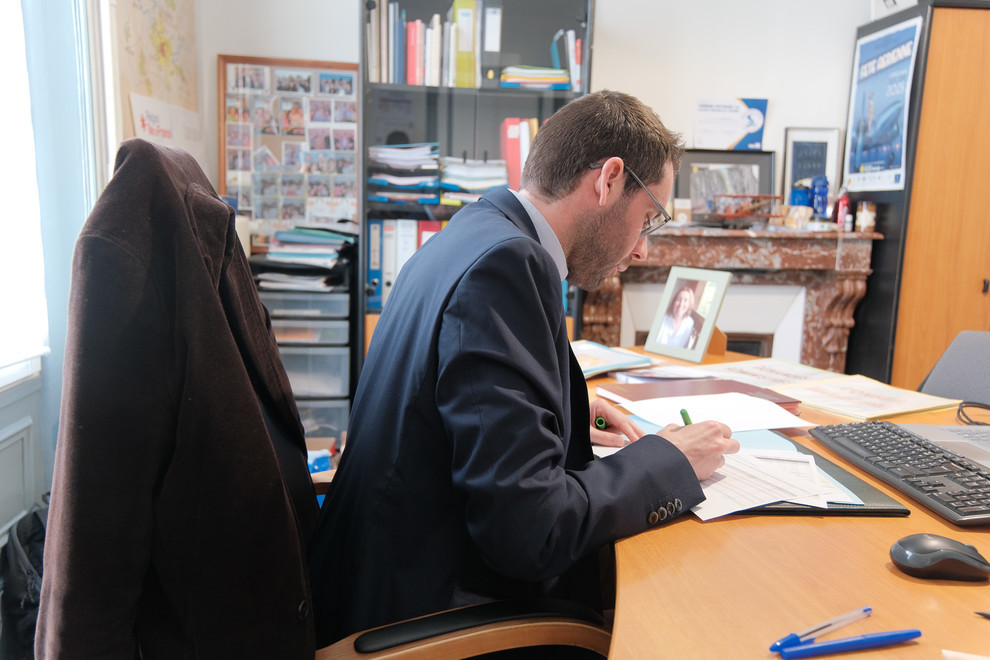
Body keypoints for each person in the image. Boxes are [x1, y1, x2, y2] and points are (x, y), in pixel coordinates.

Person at [307, 90, 739, 646]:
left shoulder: (475, 231)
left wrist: (558, 411)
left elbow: (457, 404)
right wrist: (670, 460)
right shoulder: (508, 264)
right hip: (424, 614)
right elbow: (531, 534)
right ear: (609, 180)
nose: (642, 250)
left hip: (373, 575)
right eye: (649, 217)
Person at [658, 284, 699, 348]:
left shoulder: (689, 323)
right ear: (674, 301)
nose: (681, 304)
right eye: (679, 299)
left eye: (685, 300)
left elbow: (685, 348)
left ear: (689, 305)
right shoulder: (662, 318)